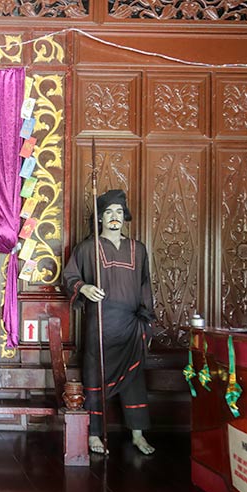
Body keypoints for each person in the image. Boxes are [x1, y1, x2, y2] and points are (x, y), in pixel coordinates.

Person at [62, 189, 156, 455]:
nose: (114, 216)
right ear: (100, 218)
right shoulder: (87, 248)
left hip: (130, 326)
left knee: (134, 381)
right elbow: (69, 277)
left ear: (124, 217)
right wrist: (84, 288)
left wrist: (147, 322)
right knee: (95, 378)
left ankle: (138, 434)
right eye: (108, 212)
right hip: (100, 326)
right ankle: (93, 434)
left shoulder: (138, 249)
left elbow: (145, 286)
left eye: (119, 212)